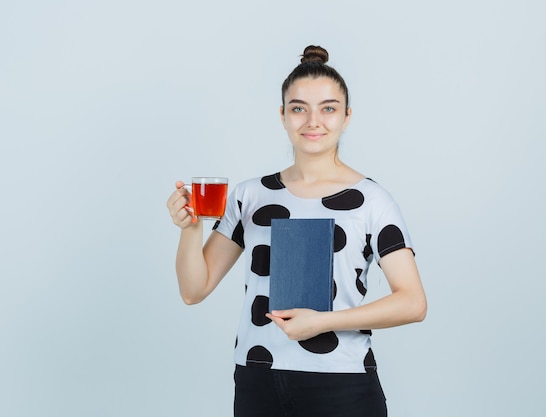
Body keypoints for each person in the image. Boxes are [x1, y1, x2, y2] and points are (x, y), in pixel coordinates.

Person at [166, 45, 427, 417]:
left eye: (329, 108)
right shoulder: (250, 195)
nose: (313, 121)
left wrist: (323, 322)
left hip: (342, 384)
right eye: (299, 108)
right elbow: (193, 291)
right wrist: (190, 228)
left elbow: (413, 303)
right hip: (258, 380)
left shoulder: (372, 200)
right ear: (283, 115)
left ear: (347, 116)